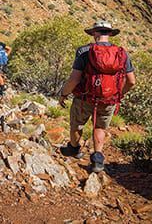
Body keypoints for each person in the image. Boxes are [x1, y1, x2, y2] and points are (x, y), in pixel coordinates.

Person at [58, 20, 136, 173]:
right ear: (110, 34)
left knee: (77, 124)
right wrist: (118, 94)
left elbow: (75, 78)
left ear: (94, 33)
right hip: (109, 99)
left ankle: (74, 149)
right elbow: (131, 81)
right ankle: (98, 160)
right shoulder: (122, 53)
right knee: (100, 127)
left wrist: (63, 94)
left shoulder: (84, 51)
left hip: (84, 98)